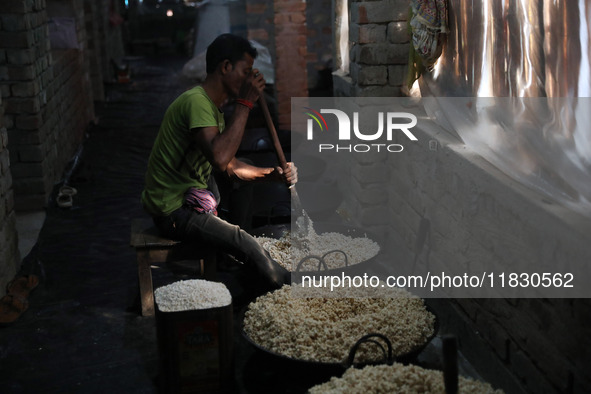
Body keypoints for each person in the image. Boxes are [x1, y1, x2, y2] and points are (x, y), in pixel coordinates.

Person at [141, 34, 297, 289]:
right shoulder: (196, 102)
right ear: (225, 67)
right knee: (244, 241)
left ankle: (232, 258)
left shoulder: (212, 110)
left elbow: (231, 167)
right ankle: (282, 283)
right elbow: (221, 157)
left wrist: (273, 173)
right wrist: (245, 103)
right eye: (245, 71)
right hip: (174, 210)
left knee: (242, 167)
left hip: (193, 195)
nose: (249, 78)